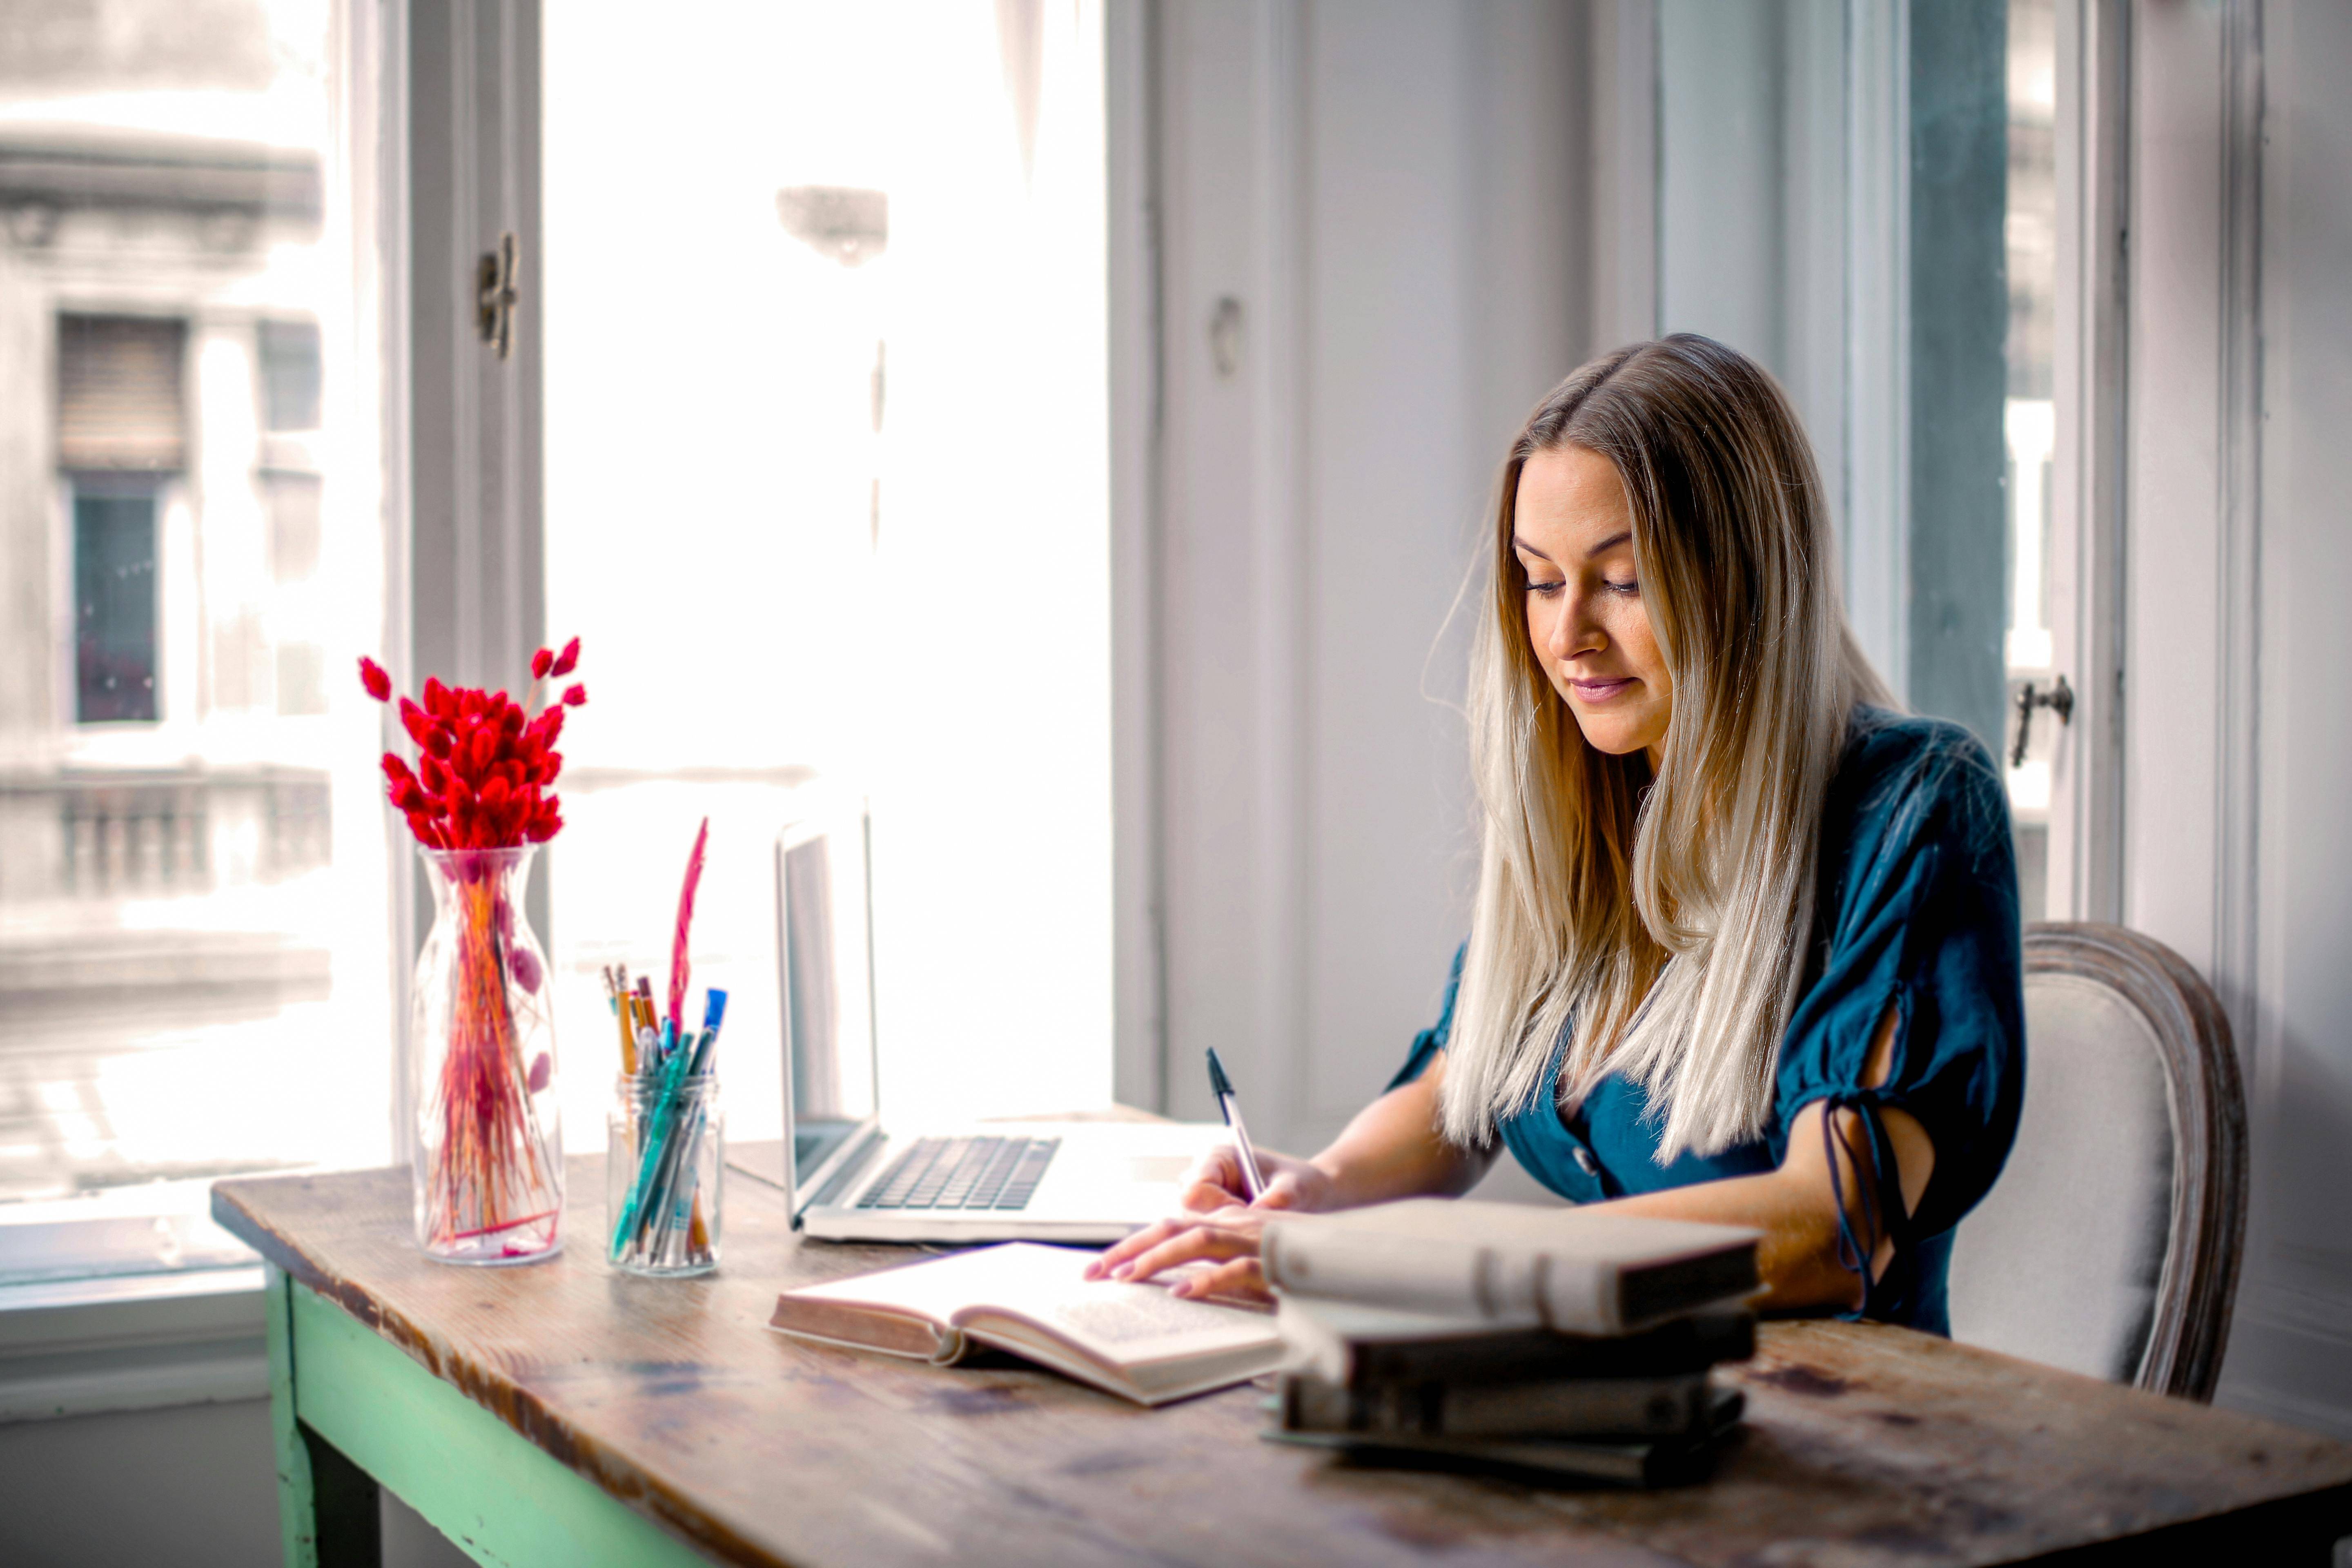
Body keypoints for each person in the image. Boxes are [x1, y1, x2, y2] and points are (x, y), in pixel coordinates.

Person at [1089, 334, 2024, 1334]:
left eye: (1622, 581)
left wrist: (1406, 1261)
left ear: (1750, 585)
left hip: (1832, 1435)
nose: (1568, 636)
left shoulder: (1913, 811)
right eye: (1541, 580)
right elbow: (1468, 1085)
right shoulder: (1598, 796)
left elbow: (1828, 1228)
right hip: (1594, 1406)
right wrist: (1320, 1188)